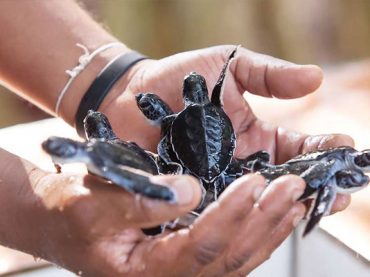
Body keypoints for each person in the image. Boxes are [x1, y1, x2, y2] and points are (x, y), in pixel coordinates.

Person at [0, 1, 353, 276]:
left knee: (145, 170)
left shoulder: (172, 120)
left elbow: (153, 120)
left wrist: (113, 81)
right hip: (203, 163)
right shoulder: (192, 113)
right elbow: (162, 122)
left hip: (183, 163)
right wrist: (36, 208)